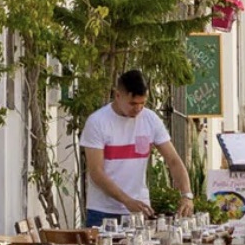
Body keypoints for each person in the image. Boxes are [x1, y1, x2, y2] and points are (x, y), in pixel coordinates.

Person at [80, 69, 192, 228]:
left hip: (140, 210)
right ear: (118, 96)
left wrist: (186, 194)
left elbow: (173, 160)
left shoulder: (151, 119)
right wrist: (126, 201)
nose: (138, 108)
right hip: (103, 211)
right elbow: (96, 172)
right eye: (133, 103)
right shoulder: (98, 122)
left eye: (142, 103)